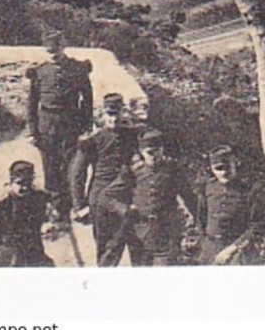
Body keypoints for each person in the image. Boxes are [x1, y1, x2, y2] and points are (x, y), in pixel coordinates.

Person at [102, 128, 196, 267]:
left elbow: (190, 199)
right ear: (141, 152)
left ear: (162, 149)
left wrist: (198, 226)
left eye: (157, 151)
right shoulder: (133, 172)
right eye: (149, 153)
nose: (154, 156)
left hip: (166, 233)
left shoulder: (173, 170)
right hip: (140, 233)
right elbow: (106, 197)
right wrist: (125, 209)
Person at [25, 30, 92, 223]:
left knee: (74, 165)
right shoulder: (40, 71)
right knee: (50, 165)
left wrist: (86, 126)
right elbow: (31, 104)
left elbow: (87, 100)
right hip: (47, 124)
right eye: (50, 51)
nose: (53, 54)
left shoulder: (78, 69)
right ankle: (56, 207)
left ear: (63, 47)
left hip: (72, 123)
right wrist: (32, 131)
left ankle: (75, 205)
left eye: (56, 49)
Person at [69, 92, 140, 266]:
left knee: (140, 249)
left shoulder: (133, 135)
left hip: (130, 198)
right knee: (108, 253)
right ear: (102, 114)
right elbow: (76, 174)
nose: (113, 119)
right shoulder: (92, 141)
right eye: (110, 114)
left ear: (123, 112)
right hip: (101, 201)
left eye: (117, 113)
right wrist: (80, 205)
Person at [193, 147, 264, 265]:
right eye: (219, 169)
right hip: (210, 250)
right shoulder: (207, 188)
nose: (224, 172)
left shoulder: (248, 190)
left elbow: (256, 225)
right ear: (212, 169)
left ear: (235, 164)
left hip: (238, 251)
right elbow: (201, 219)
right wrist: (205, 243)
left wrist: (233, 248)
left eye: (228, 167)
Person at [0, 160, 54, 267]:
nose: (24, 187)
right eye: (20, 183)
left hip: (33, 248)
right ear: (11, 183)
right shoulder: (2, 202)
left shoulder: (38, 197)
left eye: (28, 183)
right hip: (11, 250)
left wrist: (48, 222)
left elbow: (48, 214)